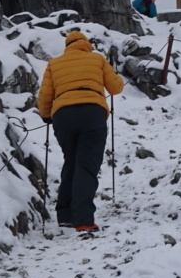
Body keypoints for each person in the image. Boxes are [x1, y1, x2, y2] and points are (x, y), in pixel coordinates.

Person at [37, 30, 124, 232]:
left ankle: (65, 215)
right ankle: (83, 219)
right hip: (92, 114)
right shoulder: (97, 59)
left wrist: (46, 115)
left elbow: (45, 95)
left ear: (67, 46)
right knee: (86, 165)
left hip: (63, 117)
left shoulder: (54, 64)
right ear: (86, 44)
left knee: (71, 161)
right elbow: (116, 88)